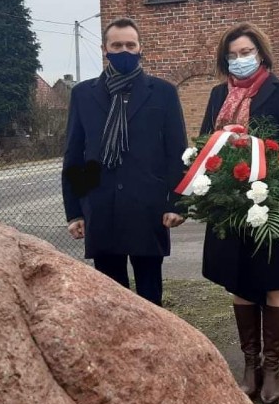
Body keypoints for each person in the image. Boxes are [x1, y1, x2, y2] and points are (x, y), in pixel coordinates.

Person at [199, 22, 279, 404]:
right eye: (232, 54)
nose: (239, 59)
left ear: (260, 54)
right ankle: (251, 365)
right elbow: (205, 147)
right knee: (241, 284)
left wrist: (262, 164)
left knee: (274, 283)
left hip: (273, 204)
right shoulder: (217, 96)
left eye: (246, 52)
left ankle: (273, 368)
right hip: (230, 206)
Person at [62, 17, 188, 307]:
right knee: (110, 299)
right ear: (105, 49)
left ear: (141, 48)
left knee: (150, 298)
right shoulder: (83, 94)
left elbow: (176, 152)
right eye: (117, 45)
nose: (125, 51)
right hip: (101, 208)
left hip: (148, 209)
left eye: (131, 45)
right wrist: (75, 212)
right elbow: (74, 154)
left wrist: (177, 203)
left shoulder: (163, 92)